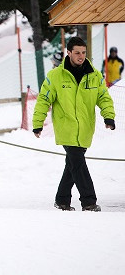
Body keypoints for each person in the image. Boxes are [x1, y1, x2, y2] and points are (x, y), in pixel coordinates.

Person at [34, 36, 115, 212]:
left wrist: (108, 116)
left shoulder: (95, 75)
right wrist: (37, 123)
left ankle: (62, 200)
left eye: (84, 53)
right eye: (77, 52)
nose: (81, 56)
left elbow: (103, 97)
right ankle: (89, 201)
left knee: (72, 164)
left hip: (86, 128)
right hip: (66, 127)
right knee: (78, 163)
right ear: (68, 53)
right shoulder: (55, 76)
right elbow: (43, 100)